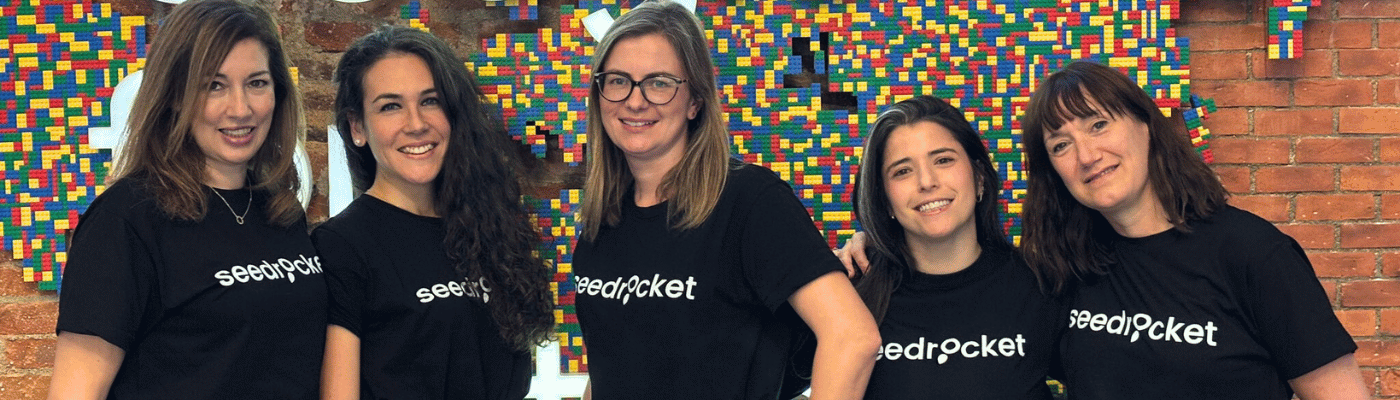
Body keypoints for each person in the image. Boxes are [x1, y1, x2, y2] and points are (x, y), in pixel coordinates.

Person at [570, 1, 880, 399]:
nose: (635, 100)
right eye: (617, 80)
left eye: (659, 83)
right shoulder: (602, 222)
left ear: (695, 101)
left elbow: (852, 336)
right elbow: (613, 365)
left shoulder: (749, 201)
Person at [1018, 61, 1366, 399]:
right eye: (1060, 145)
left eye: (1098, 125)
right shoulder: (1067, 269)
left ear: (1145, 125)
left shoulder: (1253, 252)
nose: (1086, 155)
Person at [48, 0, 324, 398]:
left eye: (256, 83)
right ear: (174, 95)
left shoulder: (280, 209)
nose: (240, 109)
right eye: (213, 85)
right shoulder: (125, 220)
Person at [315, 25, 555, 400]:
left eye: (430, 101)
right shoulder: (342, 246)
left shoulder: (489, 230)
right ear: (357, 126)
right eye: (391, 106)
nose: (416, 124)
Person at [851, 95, 1064, 399]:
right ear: (885, 201)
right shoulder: (850, 296)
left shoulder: (1042, 284)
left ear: (979, 177)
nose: (926, 181)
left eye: (943, 160)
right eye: (902, 171)